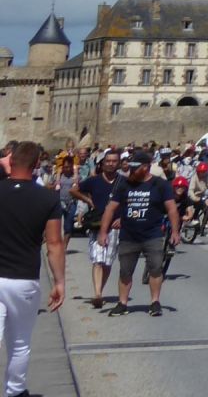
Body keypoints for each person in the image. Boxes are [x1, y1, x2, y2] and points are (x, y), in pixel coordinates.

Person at [0, 142, 65, 396]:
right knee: (19, 343)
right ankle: (15, 392)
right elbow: (54, 244)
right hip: (23, 278)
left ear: (10, 160)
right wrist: (59, 282)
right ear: (38, 164)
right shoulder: (47, 198)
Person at [99, 150, 180, 317]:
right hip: (129, 235)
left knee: (156, 269)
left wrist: (175, 231)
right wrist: (103, 232)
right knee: (125, 271)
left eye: (135, 167)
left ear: (145, 167)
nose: (130, 170)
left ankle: (155, 302)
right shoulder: (124, 185)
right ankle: (122, 303)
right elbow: (110, 208)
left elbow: (171, 209)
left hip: (153, 234)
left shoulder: (160, 185)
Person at [71, 149, 121, 308]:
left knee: (107, 262)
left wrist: (122, 219)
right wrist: (88, 200)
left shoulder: (124, 182)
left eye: (114, 161)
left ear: (118, 163)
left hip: (115, 226)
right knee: (97, 259)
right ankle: (97, 294)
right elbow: (73, 190)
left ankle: (101, 290)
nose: (111, 164)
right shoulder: (94, 181)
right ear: (103, 163)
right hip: (97, 225)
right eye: (108, 161)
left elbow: (131, 203)